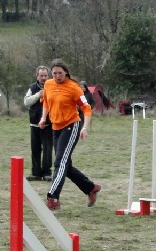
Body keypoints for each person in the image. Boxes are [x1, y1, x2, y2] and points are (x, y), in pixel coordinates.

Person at [39, 59, 101, 210]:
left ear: (66, 72)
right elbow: (46, 102)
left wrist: (84, 128)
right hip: (56, 127)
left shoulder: (74, 88)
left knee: (60, 163)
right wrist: (43, 117)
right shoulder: (48, 84)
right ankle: (90, 188)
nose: (57, 76)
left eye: (60, 73)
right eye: (54, 74)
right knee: (65, 165)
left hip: (71, 126)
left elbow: (86, 108)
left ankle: (53, 197)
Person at [24, 66, 53, 182]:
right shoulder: (32, 88)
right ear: (37, 76)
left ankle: (46, 173)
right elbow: (26, 102)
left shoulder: (52, 86)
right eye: (41, 76)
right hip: (34, 124)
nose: (43, 78)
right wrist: (38, 95)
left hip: (49, 124)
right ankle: (35, 173)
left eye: (45, 75)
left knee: (47, 150)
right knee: (35, 149)